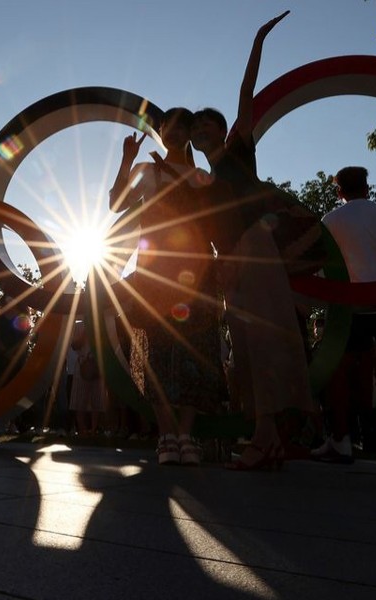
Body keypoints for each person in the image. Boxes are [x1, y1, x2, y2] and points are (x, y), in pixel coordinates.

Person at [190, 11, 315, 470]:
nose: (202, 132)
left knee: (263, 341)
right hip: (233, 259)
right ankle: (270, 436)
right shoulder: (204, 180)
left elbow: (246, 95)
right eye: (196, 128)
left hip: (255, 251)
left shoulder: (239, 150)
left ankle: (267, 438)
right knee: (243, 344)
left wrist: (258, 39)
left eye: (208, 126)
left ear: (221, 130)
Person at [109, 107, 227, 465]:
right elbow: (116, 203)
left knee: (196, 350)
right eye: (168, 125)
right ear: (160, 130)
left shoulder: (201, 175)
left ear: (190, 133)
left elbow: (214, 226)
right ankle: (166, 436)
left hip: (198, 270)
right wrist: (126, 159)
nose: (174, 131)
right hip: (157, 269)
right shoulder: (149, 169)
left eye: (182, 126)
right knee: (158, 350)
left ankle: (186, 435)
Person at [313, 166, 376, 466]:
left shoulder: (330, 221)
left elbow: (324, 265)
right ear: (368, 187)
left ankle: (342, 440)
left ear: (339, 191)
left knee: (338, 370)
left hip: (351, 305)